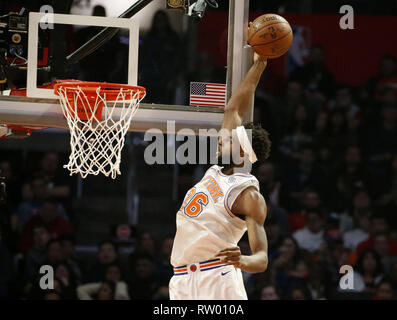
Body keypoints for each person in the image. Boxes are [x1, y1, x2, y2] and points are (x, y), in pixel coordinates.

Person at [169, 53, 270, 300]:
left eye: (226, 141)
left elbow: (262, 258)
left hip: (217, 276)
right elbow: (233, 108)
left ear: (241, 152)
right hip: (182, 278)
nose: (219, 141)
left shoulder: (248, 194)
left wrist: (244, 260)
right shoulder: (216, 170)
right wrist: (260, 64)